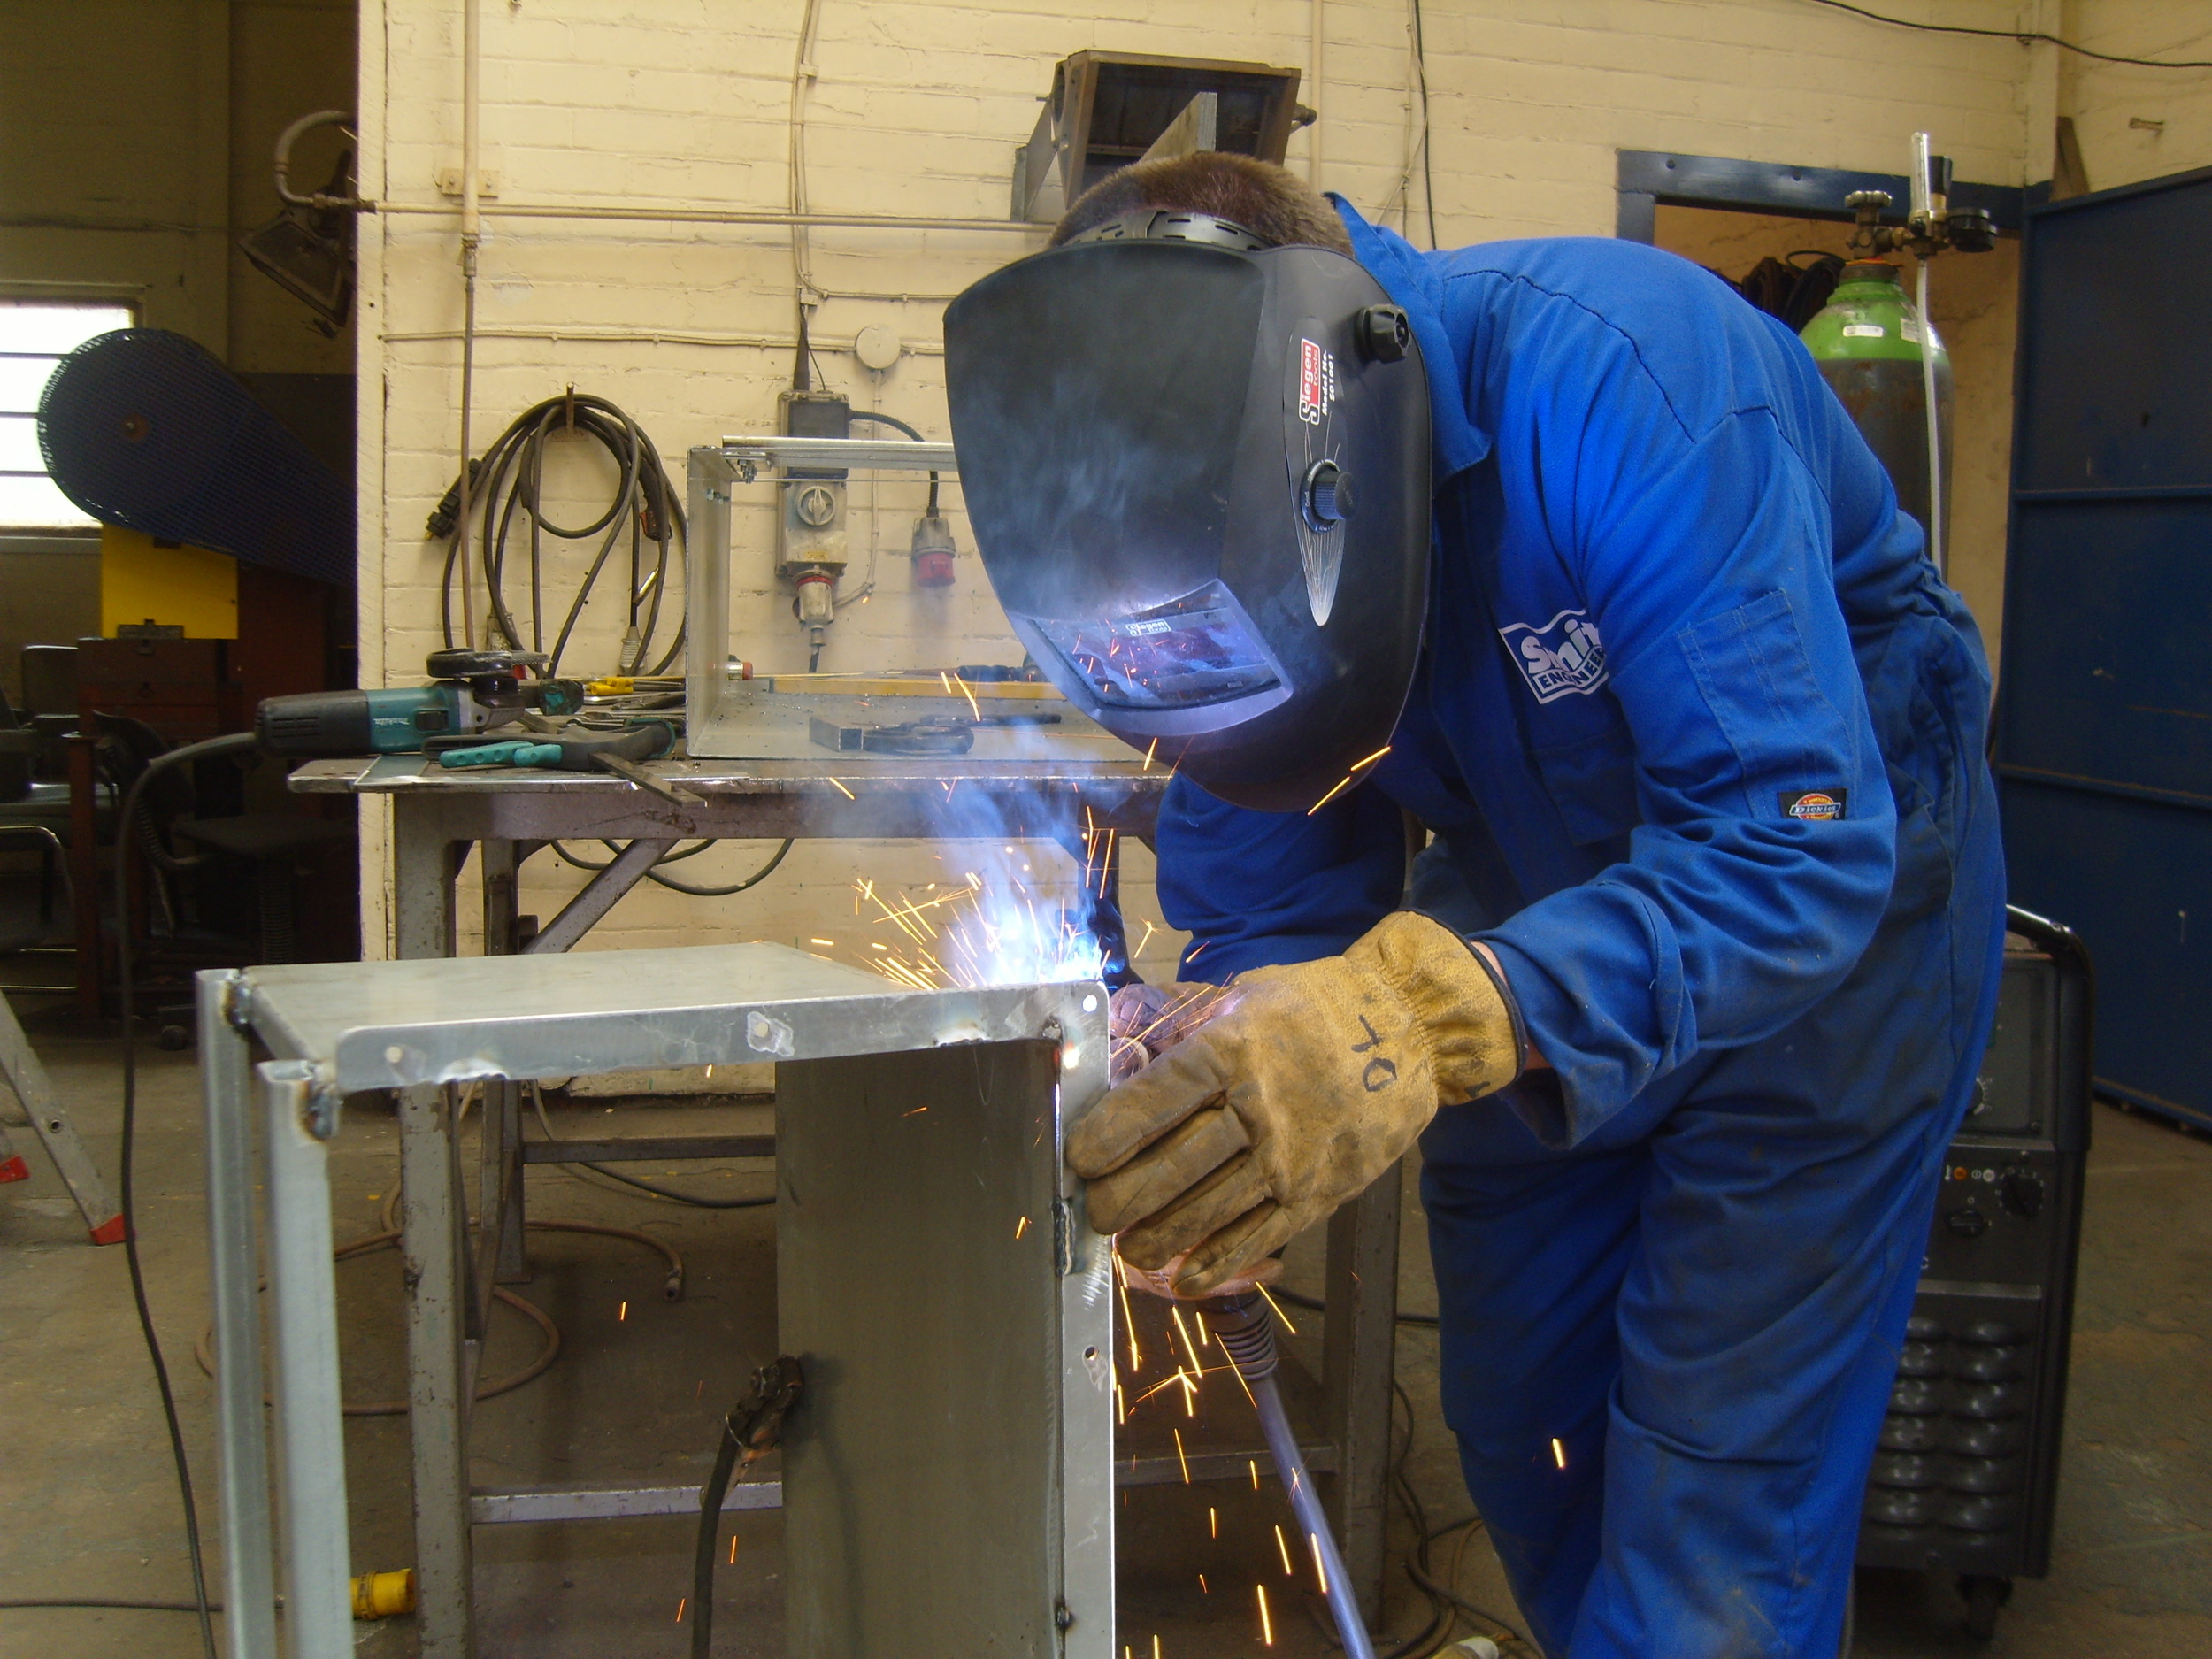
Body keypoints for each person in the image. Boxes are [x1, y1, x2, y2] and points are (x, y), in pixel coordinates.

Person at [1049, 155, 2006, 1657]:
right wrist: (1233, 1054)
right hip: (1517, 884)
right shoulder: (1212, 492)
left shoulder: (1624, 372)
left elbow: (1786, 844)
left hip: (1829, 892)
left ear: (1323, 379)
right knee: (1526, 1426)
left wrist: (1425, 1016)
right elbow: (1269, 836)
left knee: (1713, 1491)